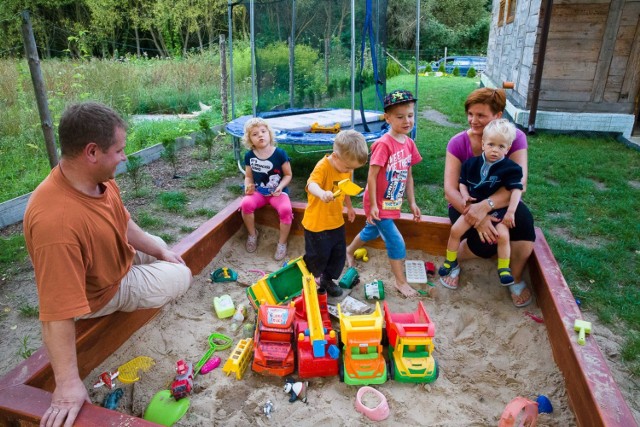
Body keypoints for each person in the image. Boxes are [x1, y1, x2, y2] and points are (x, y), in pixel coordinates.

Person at [23, 102, 193, 427]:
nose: (124, 156)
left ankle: (151, 261)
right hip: (100, 293)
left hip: (115, 259)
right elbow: (56, 312)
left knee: (163, 249)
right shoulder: (55, 223)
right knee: (182, 276)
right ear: (91, 152)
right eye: (119, 150)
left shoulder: (99, 178)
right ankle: (137, 281)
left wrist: (158, 251)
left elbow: (124, 224)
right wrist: (68, 383)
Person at [442, 87, 535, 307]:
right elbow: (450, 189)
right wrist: (477, 215)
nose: (473, 121)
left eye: (481, 115)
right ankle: (454, 261)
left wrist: (487, 206)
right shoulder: (458, 142)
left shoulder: (514, 138)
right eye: (470, 114)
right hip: (465, 202)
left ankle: (515, 276)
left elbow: (520, 184)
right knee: (485, 244)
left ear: (498, 116)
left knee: (524, 224)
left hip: (501, 202)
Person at [346, 90, 423, 298]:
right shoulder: (383, 144)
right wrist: (372, 206)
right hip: (378, 203)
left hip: (392, 202)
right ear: (387, 118)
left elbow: (408, 175)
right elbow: (371, 177)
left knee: (371, 231)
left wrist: (412, 203)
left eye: (410, 115)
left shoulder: (409, 143)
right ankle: (400, 282)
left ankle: (349, 250)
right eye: (400, 117)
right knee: (396, 241)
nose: (406, 121)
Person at [439, 119, 524, 291]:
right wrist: (464, 196)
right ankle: (450, 261)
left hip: (497, 209)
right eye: (491, 144)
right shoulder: (471, 164)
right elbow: (462, 182)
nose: (495, 150)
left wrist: (511, 212)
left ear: (508, 149)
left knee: (503, 235)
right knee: (455, 230)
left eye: (501, 147)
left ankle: (504, 269)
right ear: (483, 144)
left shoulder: (511, 168)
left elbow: (516, 190)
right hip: (473, 207)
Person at [302, 129, 369, 297]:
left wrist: (349, 207)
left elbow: (344, 187)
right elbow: (311, 184)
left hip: (336, 221)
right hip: (316, 224)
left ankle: (327, 280)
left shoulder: (346, 166)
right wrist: (322, 193)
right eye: (348, 167)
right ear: (336, 156)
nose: (349, 170)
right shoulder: (323, 167)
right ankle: (310, 276)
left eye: (352, 168)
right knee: (319, 256)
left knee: (338, 255)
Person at [240, 117, 293, 261]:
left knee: (286, 210)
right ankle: (252, 234)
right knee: (245, 204)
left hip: (278, 192)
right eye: (255, 134)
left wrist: (281, 186)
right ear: (250, 139)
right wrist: (248, 186)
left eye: (263, 131)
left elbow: (288, 175)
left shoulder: (280, 154)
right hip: (259, 192)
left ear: (269, 134)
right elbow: (248, 176)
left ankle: (282, 243)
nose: (260, 135)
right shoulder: (249, 156)